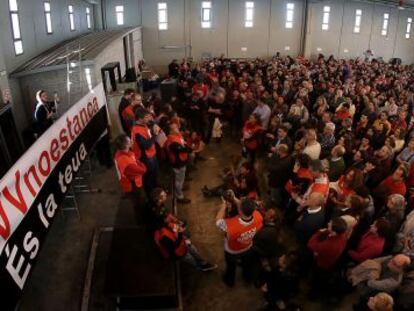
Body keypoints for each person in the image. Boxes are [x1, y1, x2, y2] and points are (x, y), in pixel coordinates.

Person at [216, 198, 263, 287]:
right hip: (248, 247)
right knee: (246, 264)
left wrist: (223, 206)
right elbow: (246, 209)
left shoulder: (231, 225)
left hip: (232, 251)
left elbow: (218, 221)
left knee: (231, 267)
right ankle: (247, 278)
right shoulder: (259, 216)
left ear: (240, 211)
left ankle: (229, 281)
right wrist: (233, 198)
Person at [114, 134, 147, 223]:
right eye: (129, 141)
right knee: (138, 202)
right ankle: (140, 220)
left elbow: (136, 160)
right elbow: (143, 170)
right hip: (133, 185)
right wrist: (142, 165)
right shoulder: (124, 160)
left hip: (132, 182)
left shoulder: (122, 153)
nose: (132, 142)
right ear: (125, 145)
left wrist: (138, 163)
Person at [131, 108, 160, 195]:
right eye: (147, 117)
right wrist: (155, 134)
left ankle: (157, 192)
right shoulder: (137, 131)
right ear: (140, 118)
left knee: (155, 175)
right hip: (146, 158)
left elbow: (151, 124)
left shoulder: (143, 124)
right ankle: (152, 197)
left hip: (151, 155)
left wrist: (154, 125)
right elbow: (146, 146)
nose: (149, 119)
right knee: (149, 179)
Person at [165, 122, 192, 204]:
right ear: (171, 131)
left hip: (181, 161)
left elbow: (184, 144)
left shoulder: (177, 136)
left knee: (181, 179)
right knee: (178, 180)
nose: (178, 129)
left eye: (177, 127)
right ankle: (179, 196)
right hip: (178, 164)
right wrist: (190, 148)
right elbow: (183, 149)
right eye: (175, 128)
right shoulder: (172, 141)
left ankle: (180, 188)